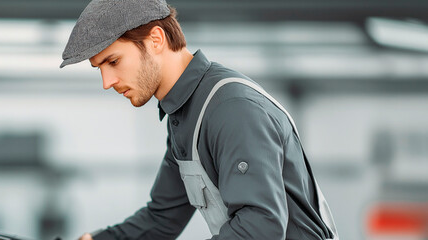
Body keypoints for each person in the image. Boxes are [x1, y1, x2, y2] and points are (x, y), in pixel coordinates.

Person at [59, 0, 339, 239]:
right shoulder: (185, 114)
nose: (107, 82)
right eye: (99, 69)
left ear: (156, 40)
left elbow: (260, 227)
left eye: (113, 61)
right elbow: (162, 219)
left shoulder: (230, 109)